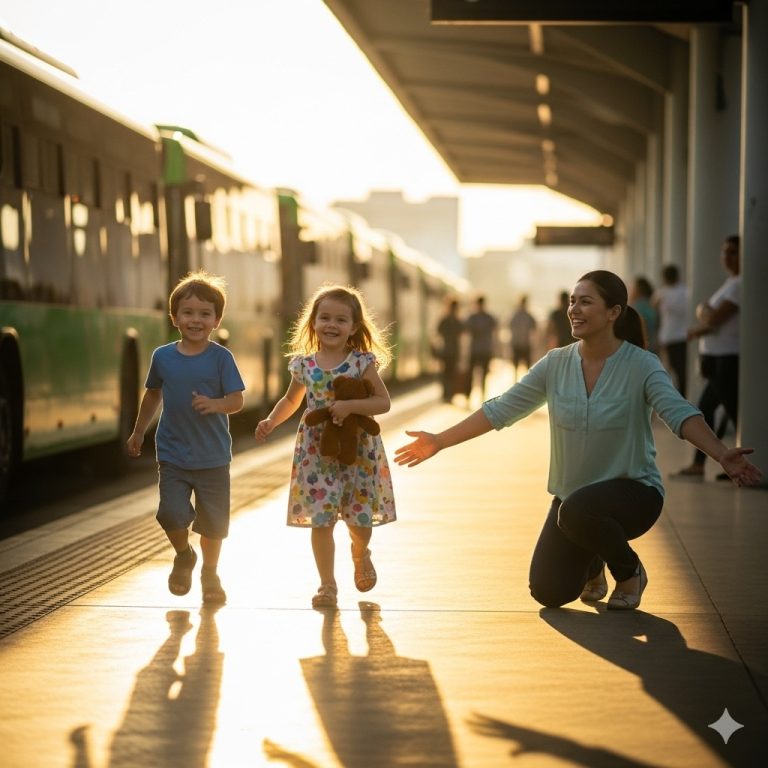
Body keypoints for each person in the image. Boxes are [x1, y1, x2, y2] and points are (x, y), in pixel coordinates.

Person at [395, 270, 761, 612]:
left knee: (576, 510)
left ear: (614, 312)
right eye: (572, 301)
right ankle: (595, 560)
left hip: (634, 493)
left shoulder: (641, 365)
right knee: (549, 592)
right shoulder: (555, 364)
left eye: (585, 301)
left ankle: (630, 572)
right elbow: (500, 409)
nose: (573, 309)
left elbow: (678, 413)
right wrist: (439, 440)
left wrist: (721, 454)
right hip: (574, 501)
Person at [255, 284, 396, 608]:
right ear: (313, 323)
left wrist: (351, 407)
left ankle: (361, 553)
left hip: (359, 453)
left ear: (354, 327)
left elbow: (383, 402)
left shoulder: (362, 362)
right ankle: (327, 585)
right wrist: (272, 421)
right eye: (325, 318)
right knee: (321, 520)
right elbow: (292, 400)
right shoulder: (304, 365)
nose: (332, 325)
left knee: (360, 522)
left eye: (341, 320)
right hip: (316, 454)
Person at [127, 271, 245, 604]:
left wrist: (216, 404)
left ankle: (210, 573)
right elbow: (152, 395)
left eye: (205, 313)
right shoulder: (162, 357)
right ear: (175, 317)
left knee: (212, 524)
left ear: (216, 319)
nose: (196, 319)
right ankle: (183, 555)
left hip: (213, 457)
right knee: (170, 513)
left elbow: (237, 401)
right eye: (188, 313)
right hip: (173, 453)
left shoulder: (222, 358)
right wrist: (138, 432)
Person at [673, 235, 741, 480]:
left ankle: (732, 463)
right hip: (717, 359)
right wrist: (704, 312)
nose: (727, 257)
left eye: (733, 252)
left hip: (727, 358)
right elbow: (706, 312)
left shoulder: (739, 284)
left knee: (726, 410)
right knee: (713, 409)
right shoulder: (730, 283)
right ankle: (708, 463)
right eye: (725, 252)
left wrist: (697, 325)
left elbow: (712, 319)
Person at [652, 264, 689, 396]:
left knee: (670, 369)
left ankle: (675, 396)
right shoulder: (685, 291)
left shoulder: (662, 293)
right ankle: (680, 396)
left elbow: (654, 307)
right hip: (680, 336)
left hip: (669, 337)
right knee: (680, 370)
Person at [466, 296, 498, 399]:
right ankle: (481, 396)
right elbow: (495, 334)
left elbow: (465, 334)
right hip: (484, 350)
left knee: (472, 374)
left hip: (476, 350)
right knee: (483, 375)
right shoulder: (489, 318)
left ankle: (470, 396)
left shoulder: (472, 317)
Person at [436, 298, 465, 402]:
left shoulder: (444, 319)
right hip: (455, 350)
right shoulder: (458, 321)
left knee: (445, 373)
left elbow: (438, 332)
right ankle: (451, 394)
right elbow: (463, 334)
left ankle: (445, 394)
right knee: (452, 373)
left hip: (445, 350)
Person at [509, 295, 537, 382]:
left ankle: (524, 384)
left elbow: (534, 329)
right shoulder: (516, 315)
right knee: (516, 367)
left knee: (525, 367)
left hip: (524, 344)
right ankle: (518, 383)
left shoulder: (526, 316)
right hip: (519, 344)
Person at [630, 276, 659, 353]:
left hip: (641, 348)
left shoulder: (637, 307)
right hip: (653, 345)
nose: (630, 291)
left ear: (638, 290)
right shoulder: (651, 305)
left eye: (633, 288)